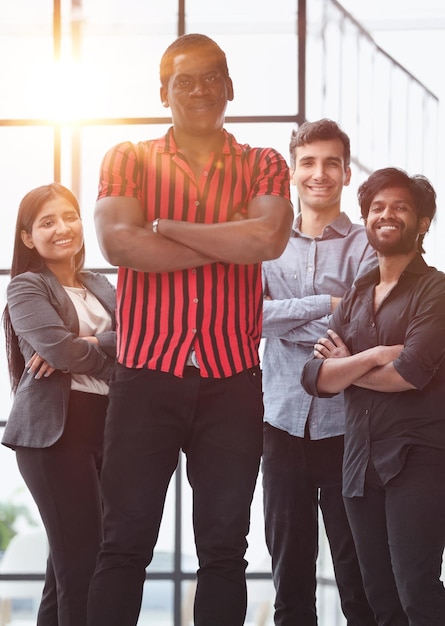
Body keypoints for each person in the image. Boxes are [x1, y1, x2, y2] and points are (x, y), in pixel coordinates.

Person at [86, 33, 293, 626]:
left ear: (229, 87)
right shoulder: (127, 157)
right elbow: (120, 243)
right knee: (123, 544)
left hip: (232, 382)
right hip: (146, 377)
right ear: (163, 92)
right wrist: (231, 240)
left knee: (225, 552)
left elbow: (268, 239)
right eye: (185, 80)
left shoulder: (265, 163)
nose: (200, 90)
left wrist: (169, 227)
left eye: (212, 77)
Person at [302, 167, 445, 624]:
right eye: (378, 207)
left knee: (416, 591)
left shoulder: (435, 290)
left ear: (422, 222)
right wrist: (373, 356)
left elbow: (409, 373)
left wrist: (347, 366)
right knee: (379, 599)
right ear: (366, 219)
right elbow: (314, 377)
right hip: (359, 465)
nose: (387, 214)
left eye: (401, 207)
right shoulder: (358, 293)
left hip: (418, 460)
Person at [261, 118, 377, 625]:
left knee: (358, 578)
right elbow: (247, 318)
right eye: (308, 162)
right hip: (279, 422)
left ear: (347, 173)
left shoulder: (366, 243)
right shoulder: (267, 245)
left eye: (331, 163)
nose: (320, 173)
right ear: (292, 171)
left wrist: (287, 318)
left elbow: (365, 320)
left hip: (347, 428)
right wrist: (329, 303)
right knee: (289, 580)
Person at [1, 183, 116, 626]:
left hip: (105, 426)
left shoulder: (99, 283)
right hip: (55, 434)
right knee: (83, 562)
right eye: (47, 222)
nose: (62, 228)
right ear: (29, 237)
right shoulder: (26, 288)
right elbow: (59, 352)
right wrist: (94, 349)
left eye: (69, 216)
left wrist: (87, 343)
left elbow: (139, 347)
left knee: (69, 563)